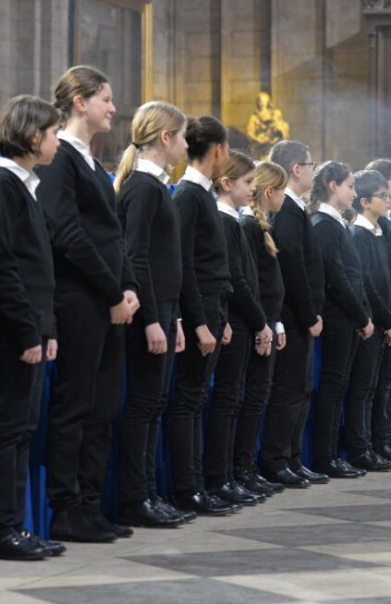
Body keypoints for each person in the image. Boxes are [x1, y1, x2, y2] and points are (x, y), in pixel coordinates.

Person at [39, 66, 139, 543]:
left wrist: (129, 286)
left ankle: (91, 505)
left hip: (107, 298)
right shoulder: (59, 158)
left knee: (102, 408)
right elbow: (68, 234)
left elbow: (113, 236)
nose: (113, 108)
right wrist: (111, 290)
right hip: (79, 297)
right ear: (80, 102)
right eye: (106, 98)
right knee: (74, 406)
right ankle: (65, 509)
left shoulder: (92, 162)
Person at [0, 96, 62, 561]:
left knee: (23, 429)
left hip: (30, 330)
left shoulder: (25, 186)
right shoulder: (2, 188)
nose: (56, 140)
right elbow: (1, 269)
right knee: (7, 430)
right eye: (51, 132)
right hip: (9, 334)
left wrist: (46, 329)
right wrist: (28, 331)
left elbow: (37, 270)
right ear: (32, 137)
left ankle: (16, 525)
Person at [115, 101, 189, 528]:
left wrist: (173, 317)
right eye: (180, 136)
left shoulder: (157, 186)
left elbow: (163, 263)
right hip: (150, 311)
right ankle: (134, 498)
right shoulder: (143, 187)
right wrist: (152, 320)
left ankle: (149, 493)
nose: (183, 144)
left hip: (164, 309)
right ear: (165, 137)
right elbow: (136, 258)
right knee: (143, 405)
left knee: (156, 402)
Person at [169, 115, 238, 517]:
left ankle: (200, 485)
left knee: (197, 400)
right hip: (200, 312)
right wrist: (198, 321)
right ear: (217, 150)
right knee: (189, 400)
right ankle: (188, 488)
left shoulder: (202, 195)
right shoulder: (189, 196)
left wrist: (219, 316)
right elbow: (186, 265)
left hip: (213, 309)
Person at [206, 150, 273, 506]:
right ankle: (220, 477)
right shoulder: (223, 220)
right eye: (248, 182)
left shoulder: (233, 220)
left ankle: (234, 473)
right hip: (233, 321)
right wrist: (260, 321)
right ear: (227, 182)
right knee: (227, 401)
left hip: (243, 322)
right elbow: (235, 279)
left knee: (235, 399)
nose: (253, 188)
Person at [260, 140, 326, 488]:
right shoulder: (285, 209)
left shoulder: (295, 206)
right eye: (312, 164)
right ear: (296, 169)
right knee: (288, 391)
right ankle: (276, 460)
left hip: (301, 314)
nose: (314, 170)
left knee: (301, 390)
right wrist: (309, 311)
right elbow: (291, 263)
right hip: (292, 313)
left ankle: (293, 458)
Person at [310, 162, 376, 477]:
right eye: (350, 185)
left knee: (340, 385)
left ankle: (334, 454)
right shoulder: (323, 224)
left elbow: (354, 274)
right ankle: (325, 456)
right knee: (333, 386)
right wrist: (362, 316)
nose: (354, 192)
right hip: (338, 317)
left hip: (347, 317)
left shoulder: (334, 222)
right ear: (333, 186)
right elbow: (336, 278)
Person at [346, 169, 391, 468]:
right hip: (371, 322)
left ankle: (381, 443)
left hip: (388, 319)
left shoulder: (382, 231)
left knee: (384, 384)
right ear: (365, 201)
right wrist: (386, 321)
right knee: (364, 388)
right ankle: (361, 449)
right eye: (382, 196)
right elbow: (367, 284)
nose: (387, 201)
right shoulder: (358, 234)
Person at [235, 161, 290, 495]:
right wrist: (262, 325)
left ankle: (246, 467)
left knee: (259, 396)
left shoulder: (262, 226)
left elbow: (271, 284)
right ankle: (240, 469)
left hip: (268, 320)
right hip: (256, 324)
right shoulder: (249, 227)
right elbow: (250, 283)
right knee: (251, 398)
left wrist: (275, 320)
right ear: (270, 191)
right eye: (282, 190)